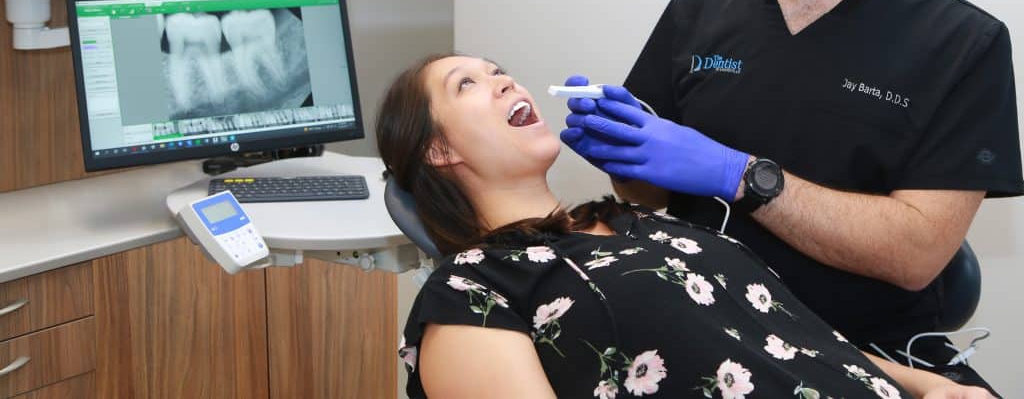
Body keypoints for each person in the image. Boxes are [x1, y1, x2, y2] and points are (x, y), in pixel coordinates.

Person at [559, 0, 1024, 376]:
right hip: (703, 340)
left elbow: (916, 254)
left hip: (867, 358)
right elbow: (650, 196)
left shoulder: (961, 43)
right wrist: (625, 151)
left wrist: (741, 175)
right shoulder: (700, 8)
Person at [378, 53, 995, 398]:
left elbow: (783, 335)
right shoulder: (475, 294)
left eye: (497, 69)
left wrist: (933, 387)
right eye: (469, 84)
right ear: (436, 151)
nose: (503, 79)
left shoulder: (633, 220)